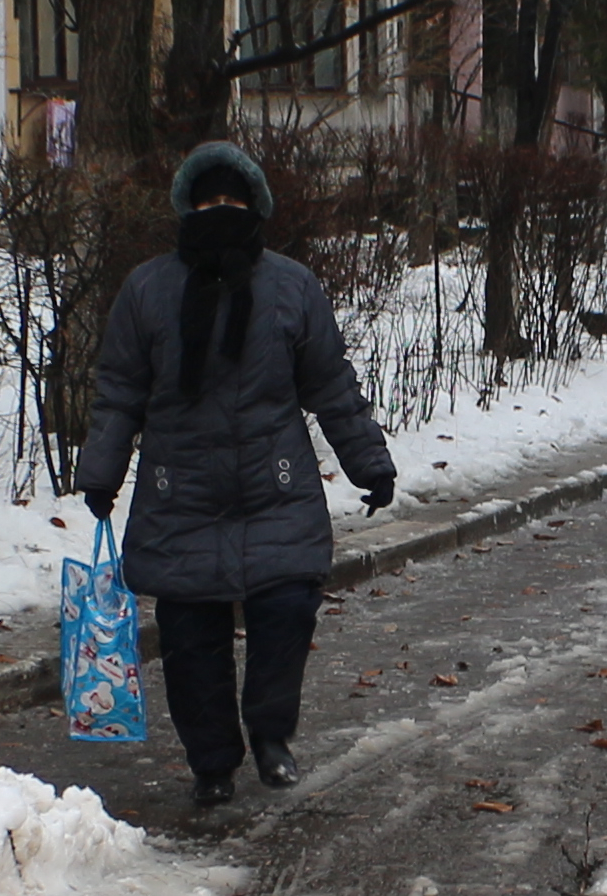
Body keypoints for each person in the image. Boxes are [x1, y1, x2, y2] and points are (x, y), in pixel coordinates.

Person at [74, 143, 395, 807]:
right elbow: (120, 391)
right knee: (192, 647)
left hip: (275, 493)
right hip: (179, 497)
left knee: (284, 617)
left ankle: (272, 736)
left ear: (257, 208)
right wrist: (101, 472)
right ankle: (212, 763)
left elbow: (331, 385)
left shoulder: (291, 287)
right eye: (209, 200)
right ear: (187, 208)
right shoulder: (148, 289)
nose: (221, 211)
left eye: (234, 200)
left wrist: (369, 462)